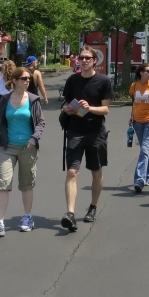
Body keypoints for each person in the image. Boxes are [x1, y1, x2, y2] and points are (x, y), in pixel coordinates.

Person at [0, 66, 46, 237]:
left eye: (29, 79)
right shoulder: (5, 99)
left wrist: (34, 138)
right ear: (15, 81)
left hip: (28, 148)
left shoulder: (33, 100)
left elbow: (41, 123)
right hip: (8, 147)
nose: (28, 81)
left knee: (26, 185)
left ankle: (27, 217)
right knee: (3, 183)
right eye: (24, 78)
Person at [60, 48, 113, 231]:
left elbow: (106, 109)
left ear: (94, 60)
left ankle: (92, 207)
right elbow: (65, 103)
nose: (83, 61)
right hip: (75, 131)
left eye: (87, 58)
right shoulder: (72, 80)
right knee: (72, 172)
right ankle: (70, 214)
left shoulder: (103, 81)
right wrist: (68, 109)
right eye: (80, 58)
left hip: (96, 132)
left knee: (96, 172)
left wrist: (89, 108)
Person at [128, 63, 149, 192]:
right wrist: (131, 116)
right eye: (148, 71)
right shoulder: (134, 86)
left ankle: (139, 180)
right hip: (137, 121)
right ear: (141, 72)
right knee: (144, 150)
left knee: (145, 149)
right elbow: (134, 102)